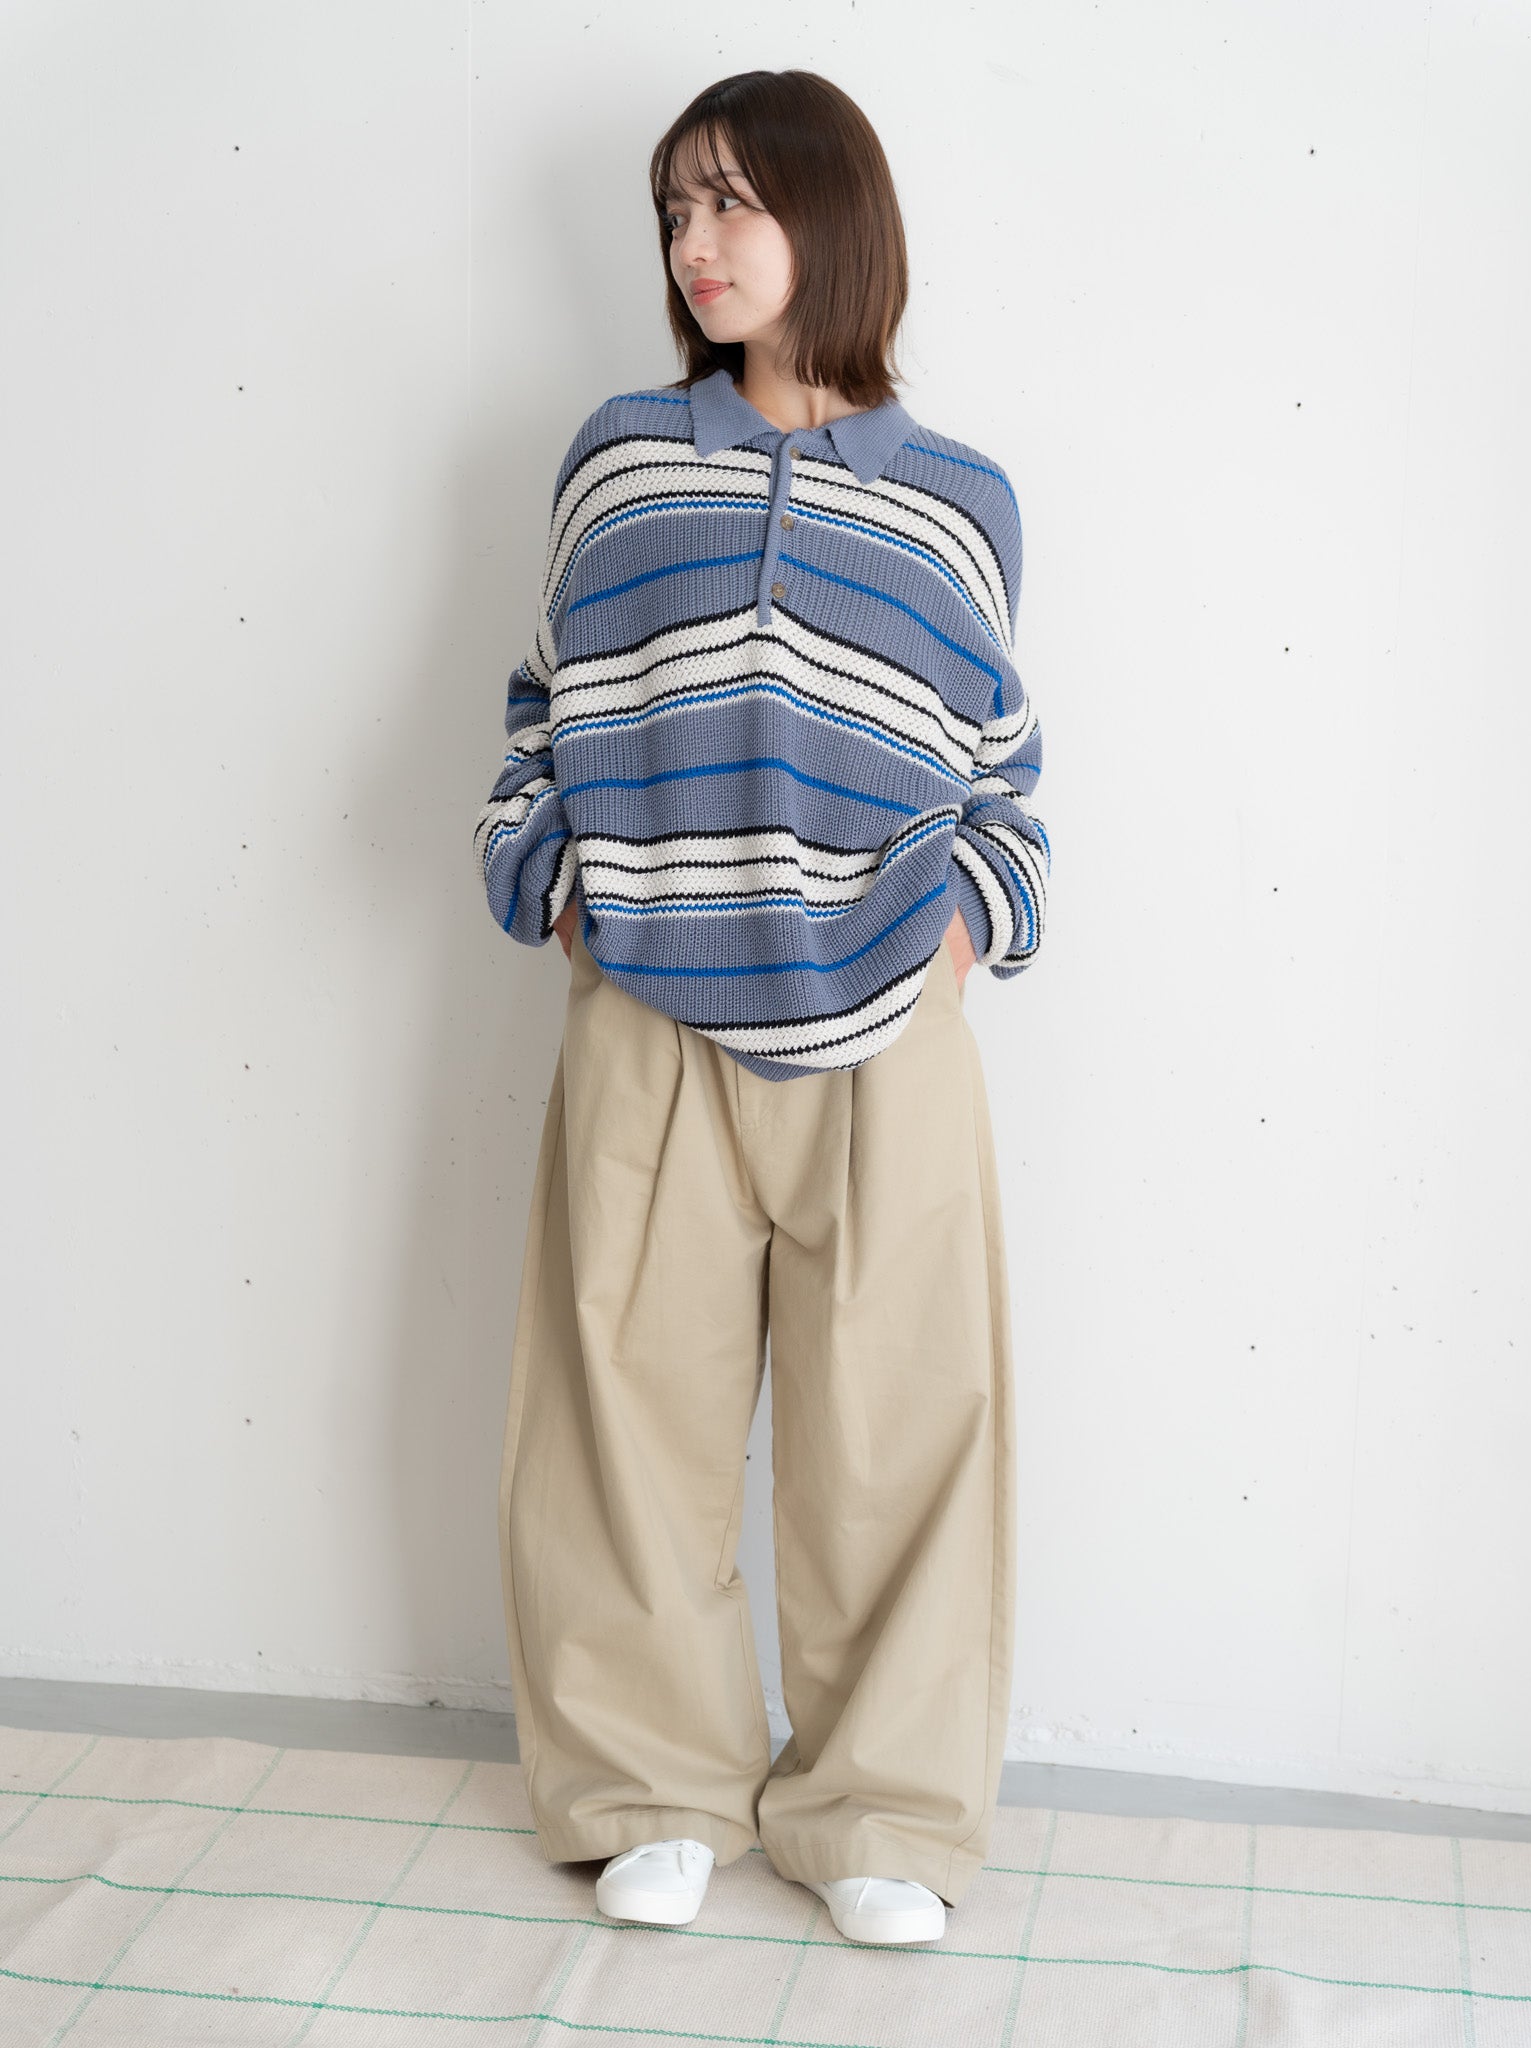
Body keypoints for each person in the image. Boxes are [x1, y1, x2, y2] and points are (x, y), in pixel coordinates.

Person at [473, 67, 1049, 1949]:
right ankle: (648, 1788)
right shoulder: (623, 458)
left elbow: (1004, 774)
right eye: (674, 211)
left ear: (832, 217)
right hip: (647, 1010)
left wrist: (967, 922)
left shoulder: (961, 501)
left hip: (887, 1028)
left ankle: (880, 1809)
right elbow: (539, 712)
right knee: (621, 1419)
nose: (694, 245)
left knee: (902, 1426)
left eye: (729, 202)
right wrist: (550, 876)